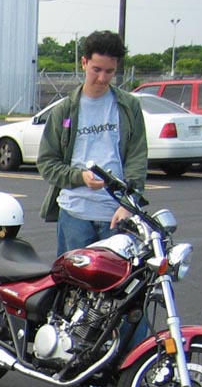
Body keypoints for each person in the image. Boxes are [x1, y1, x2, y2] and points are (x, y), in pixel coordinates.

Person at [38, 30, 147, 256]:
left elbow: (137, 158)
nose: (102, 78)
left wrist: (128, 204)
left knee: (117, 278)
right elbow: (47, 163)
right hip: (74, 215)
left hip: (116, 216)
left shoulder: (129, 107)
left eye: (110, 71)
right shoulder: (64, 110)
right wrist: (80, 177)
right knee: (72, 277)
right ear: (84, 62)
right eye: (96, 69)